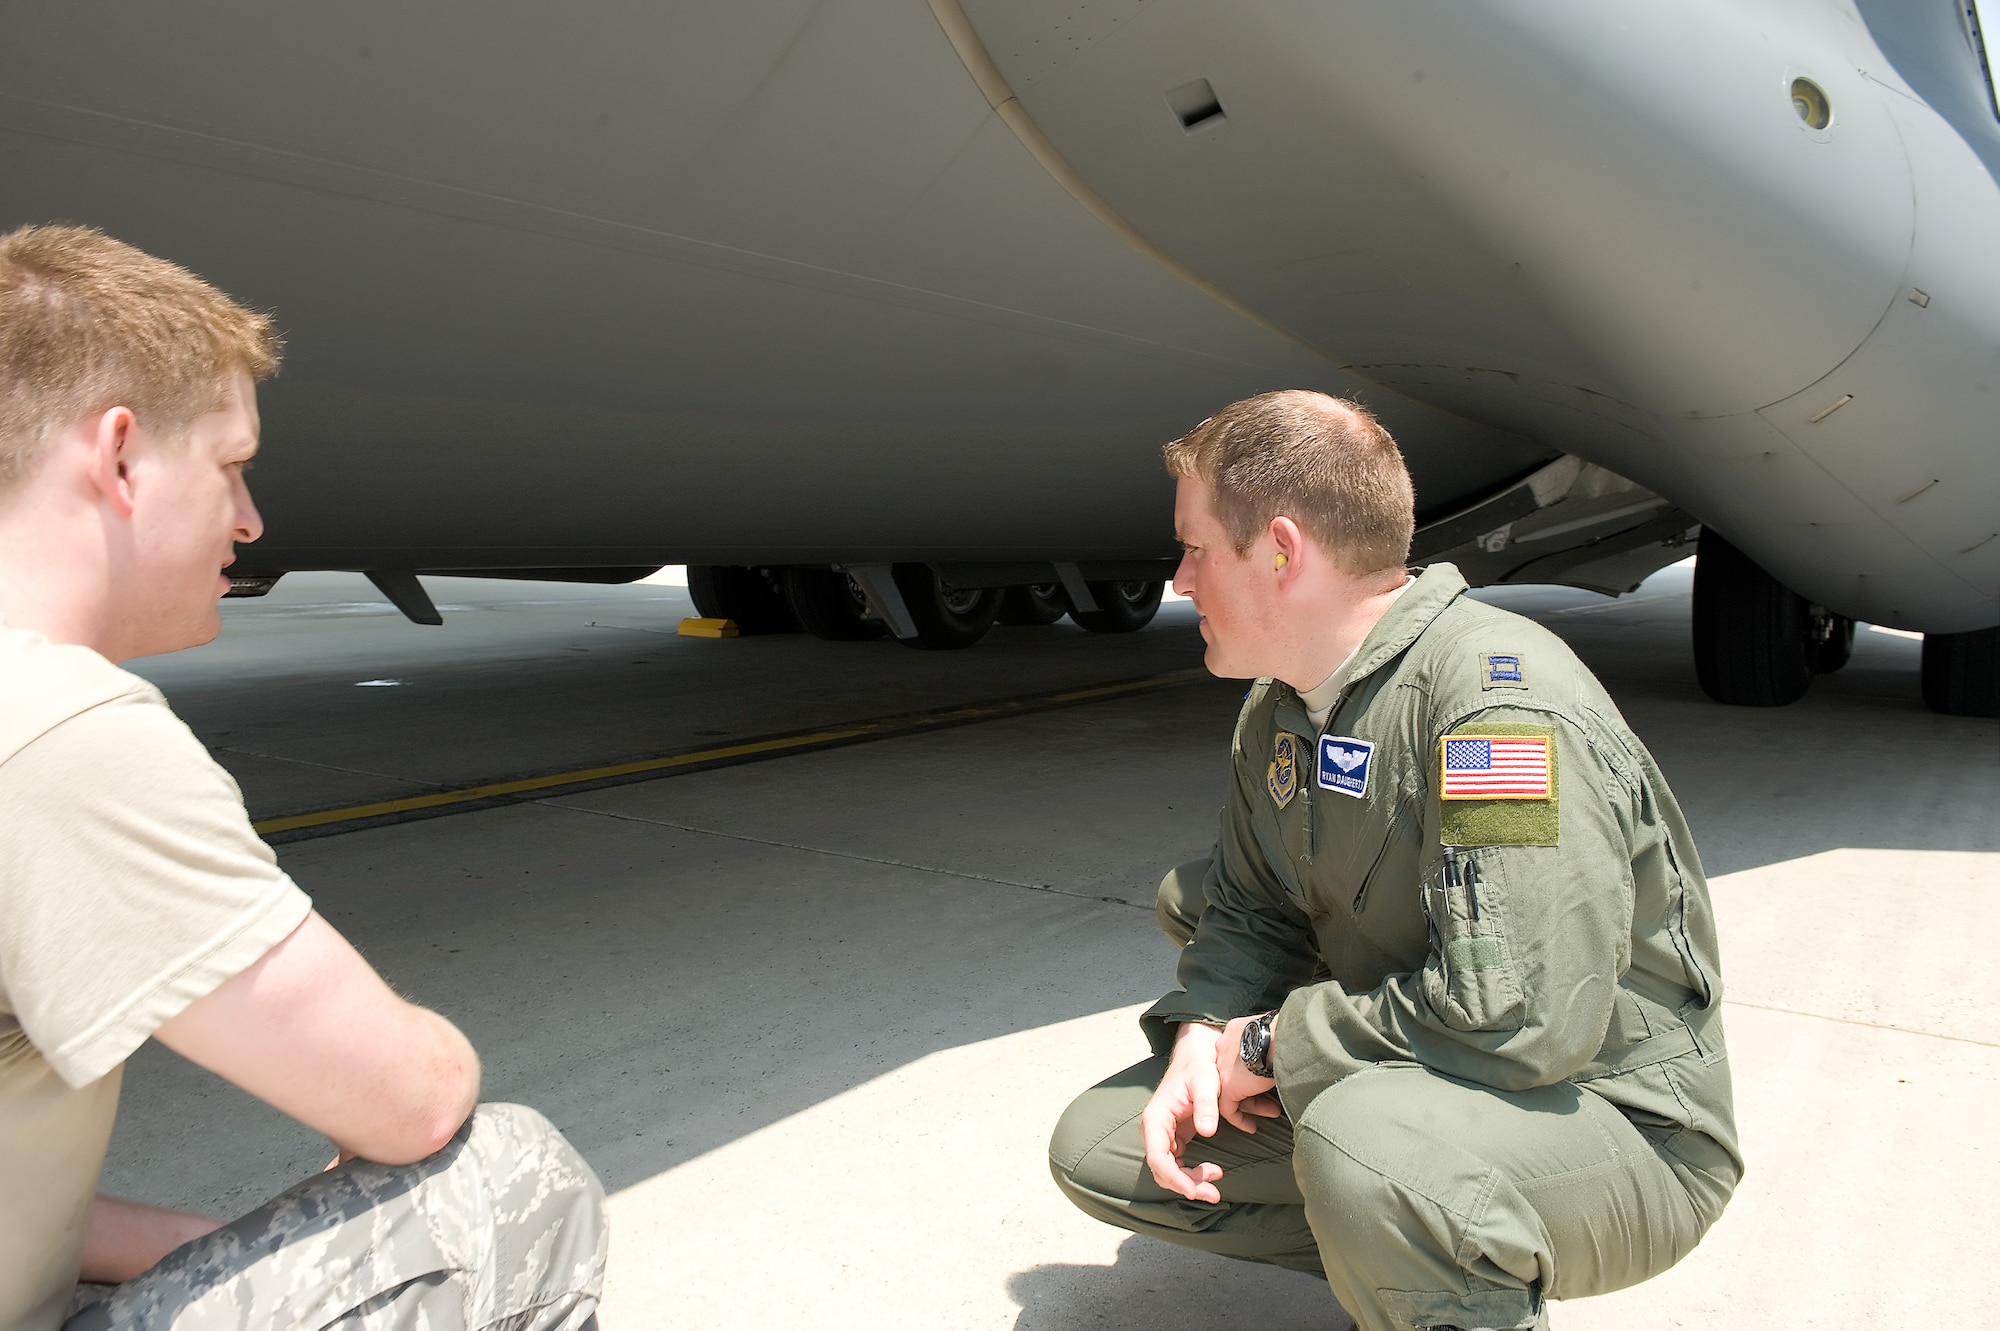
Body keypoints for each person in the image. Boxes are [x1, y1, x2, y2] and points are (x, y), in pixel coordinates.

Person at [0, 225, 607, 1331]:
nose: (250, 518)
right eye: (230, 465)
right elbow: (409, 1101)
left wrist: (187, 1250)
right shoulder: (55, 728)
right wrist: (440, 1058)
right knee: (506, 1176)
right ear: (121, 455)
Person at [1048, 391, 1740, 1331]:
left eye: (1198, 548)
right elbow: (1251, 905)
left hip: (1611, 1119)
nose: (1179, 579)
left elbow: (1523, 1022)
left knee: (1360, 1141)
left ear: (1283, 552)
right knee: (1106, 1147)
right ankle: (1404, 1256)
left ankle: (1433, 1256)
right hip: (1434, 1076)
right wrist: (1201, 1034)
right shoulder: (1285, 703)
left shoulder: (1496, 711)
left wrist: (1263, 1046)